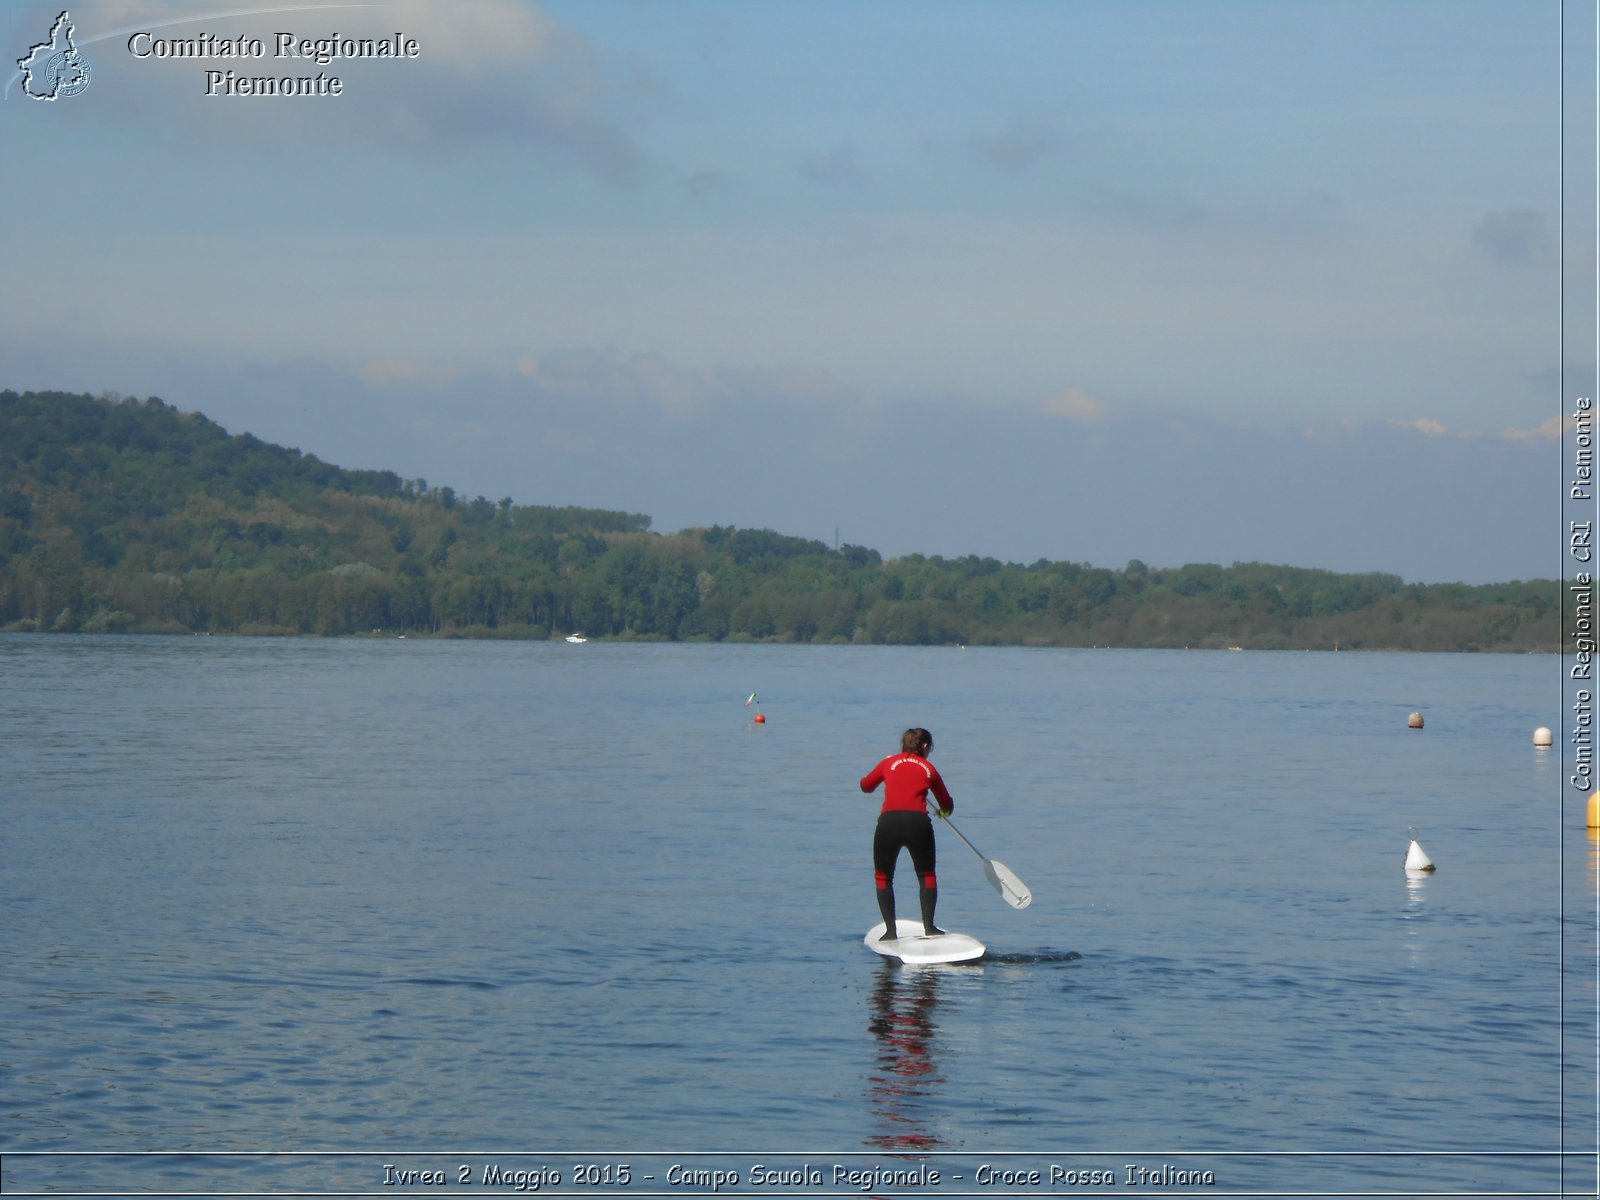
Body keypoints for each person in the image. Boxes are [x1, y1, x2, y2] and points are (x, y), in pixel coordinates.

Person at [859, 727, 953, 940]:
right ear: (926, 746)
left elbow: (865, 786)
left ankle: (890, 932)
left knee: (883, 877)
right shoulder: (929, 768)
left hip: (888, 823)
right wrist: (943, 812)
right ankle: (929, 928)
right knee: (926, 875)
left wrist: (878, 771)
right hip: (917, 823)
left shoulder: (888, 763)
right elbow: (947, 804)